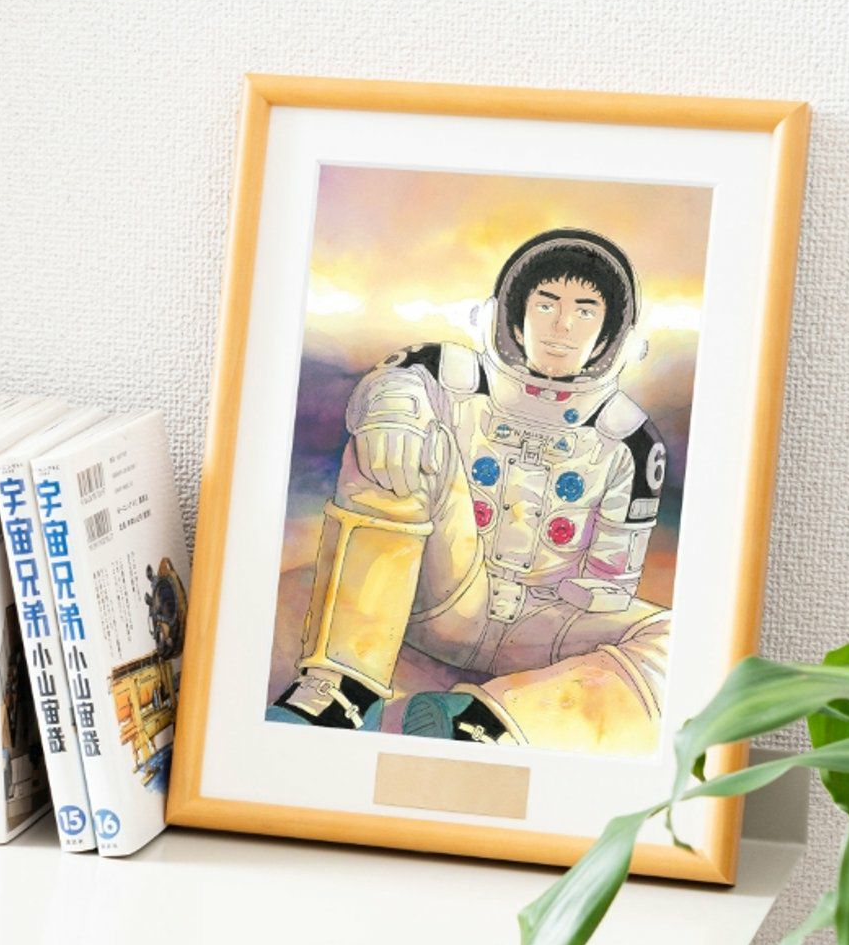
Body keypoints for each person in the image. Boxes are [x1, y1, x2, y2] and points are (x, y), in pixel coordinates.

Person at [270, 229, 669, 753]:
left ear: (611, 334)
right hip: (448, 592)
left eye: (585, 310)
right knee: (401, 442)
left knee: (682, 643)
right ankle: (342, 687)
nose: (563, 325)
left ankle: (491, 726)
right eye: (546, 304)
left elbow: (609, 583)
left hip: (546, 620)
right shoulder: (448, 377)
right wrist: (395, 413)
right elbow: (393, 383)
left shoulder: (629, 441)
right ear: (512, 316)